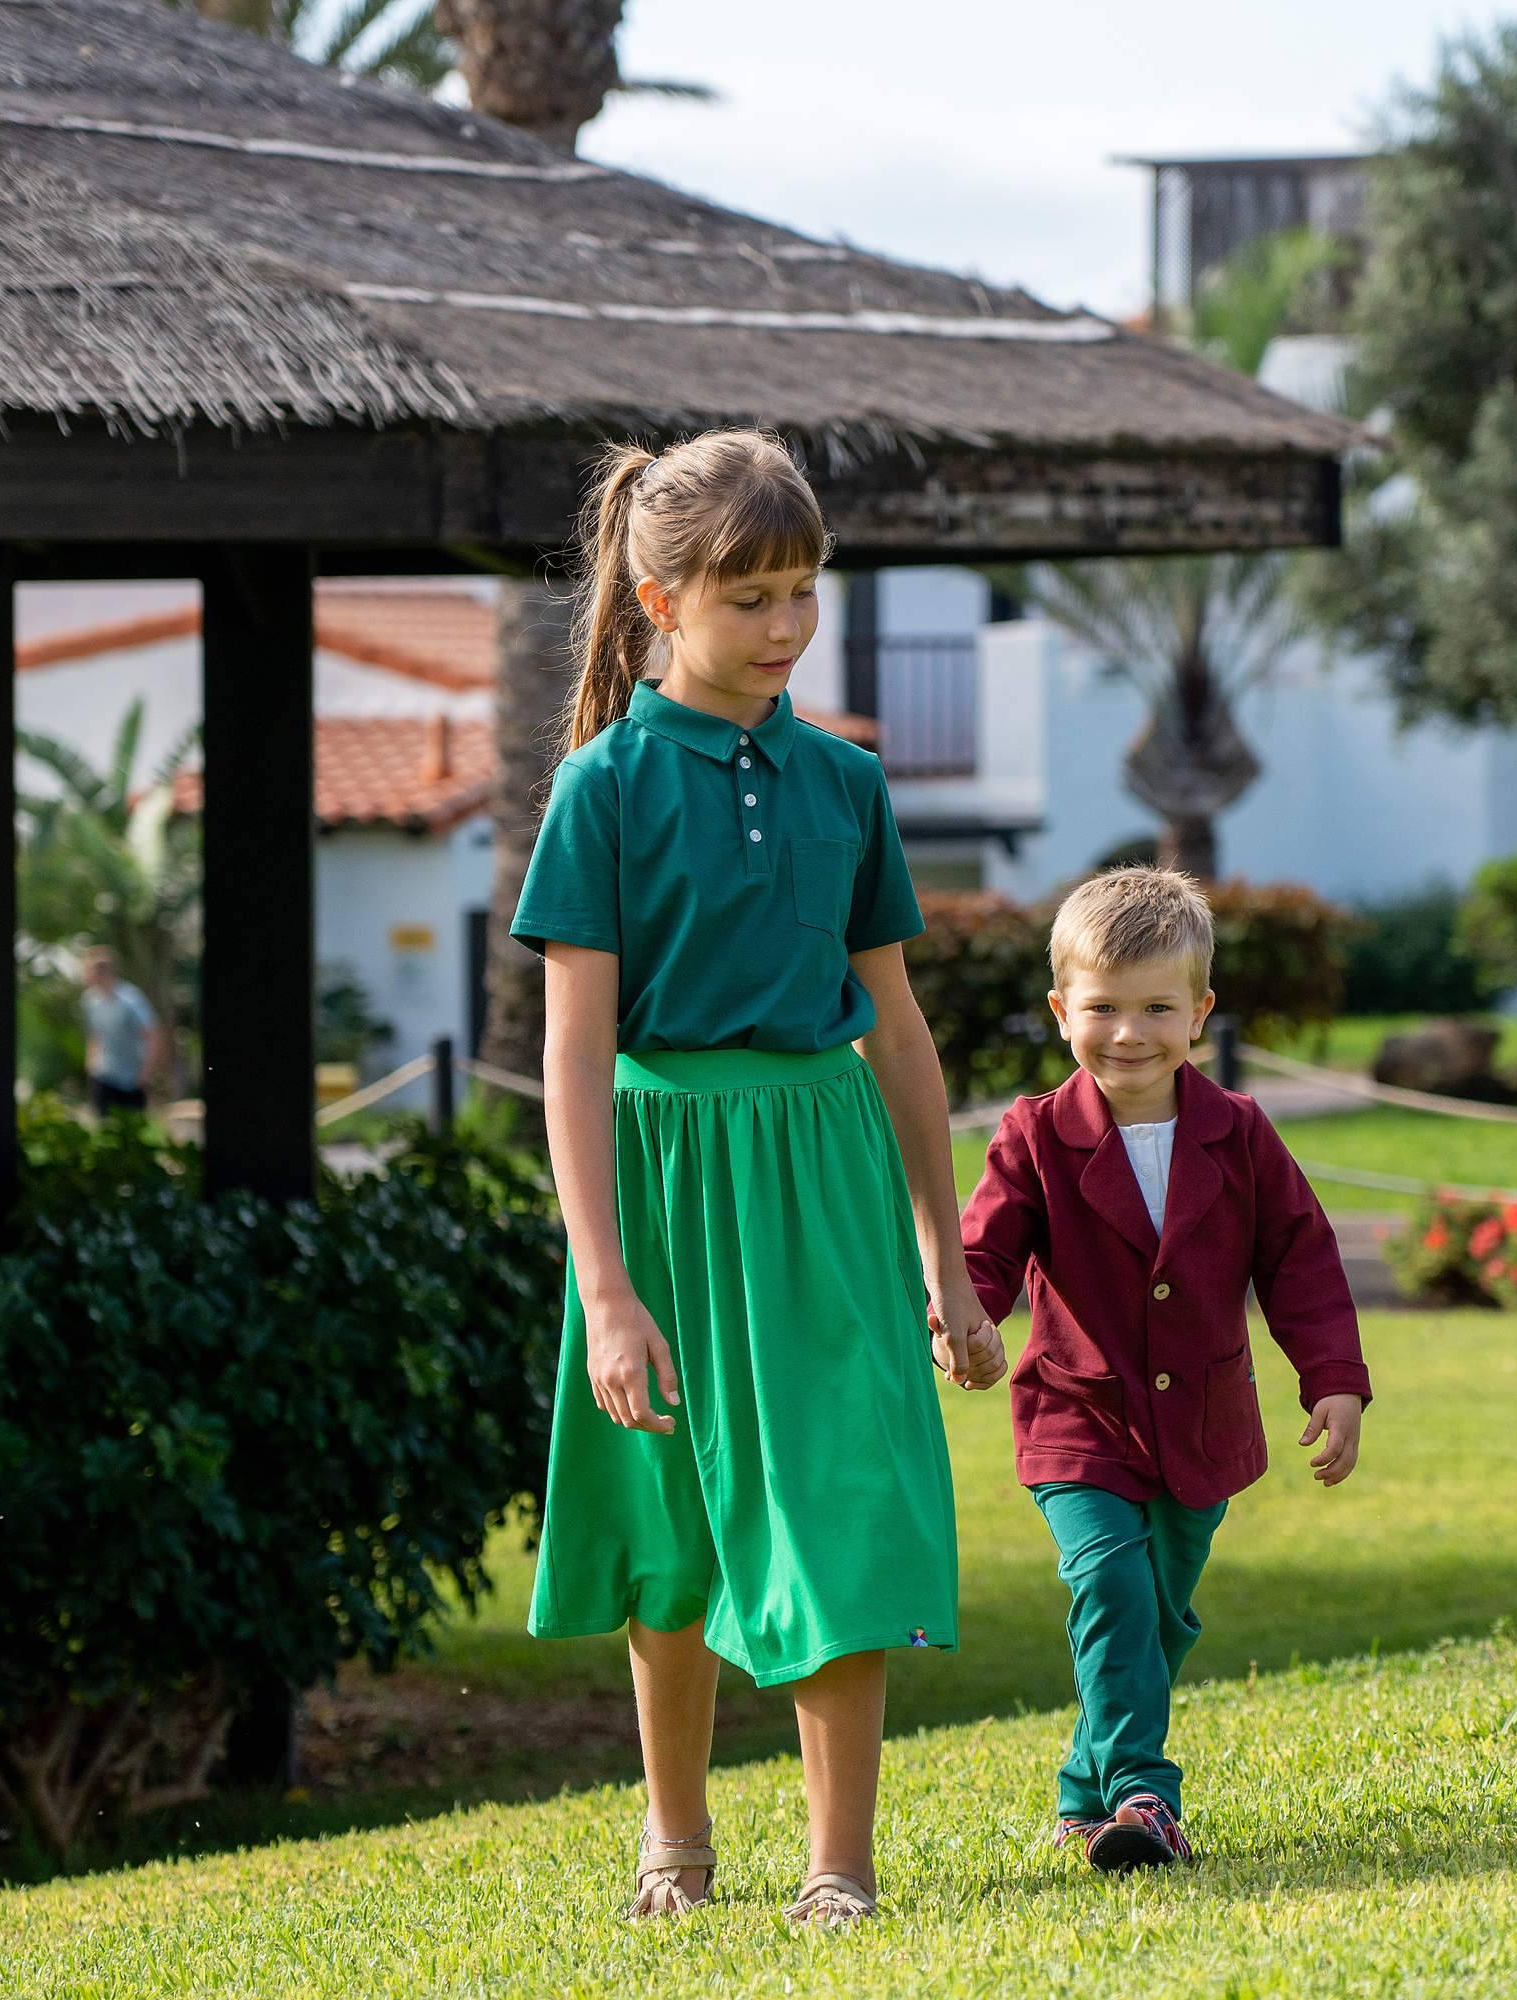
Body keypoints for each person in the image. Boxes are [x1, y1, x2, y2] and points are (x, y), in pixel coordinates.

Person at [508, 430, 1005, 1930]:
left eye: (804, 594)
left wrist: (949, 1256)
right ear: (662, 599)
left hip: (823, 1172)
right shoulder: (600, 789)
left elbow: (899, 1030)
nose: (786, 628)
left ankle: (837, 1865)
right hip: (661, 1182)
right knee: (673, 1523)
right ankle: (676, 1839)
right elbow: (576, 1056)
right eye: (751, 600)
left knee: (839, 1503)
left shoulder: (846, 784)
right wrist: (606, 1289)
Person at [958, 866, 1371, 1871]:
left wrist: (1333, 1377)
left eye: (1156, 1007)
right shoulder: (1033, 1134)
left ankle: (1077, 1787)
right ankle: (1144, 1795)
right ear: (1061, 1011)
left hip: (1199, 1423)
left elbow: (1299, 1258)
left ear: (1200, 1013)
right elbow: (984, 1249)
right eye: (1102, 1007)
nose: (1128, 1032)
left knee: (1161, 1610)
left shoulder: (1241, 1134)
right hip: (1076, 1415)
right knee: (1111, 1584)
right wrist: (959, 1310)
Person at [79, 946, 158, 1116]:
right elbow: (95, 1032)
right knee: (103, 1128)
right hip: (104, 1074)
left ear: (103, 972)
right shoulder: (89, 1000)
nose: (84, 975)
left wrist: (146, 1072)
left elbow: (151, 1034)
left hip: (132, 1078)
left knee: (132, 1131)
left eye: (88, 970)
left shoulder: (131, 1000)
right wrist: (91, 1062)